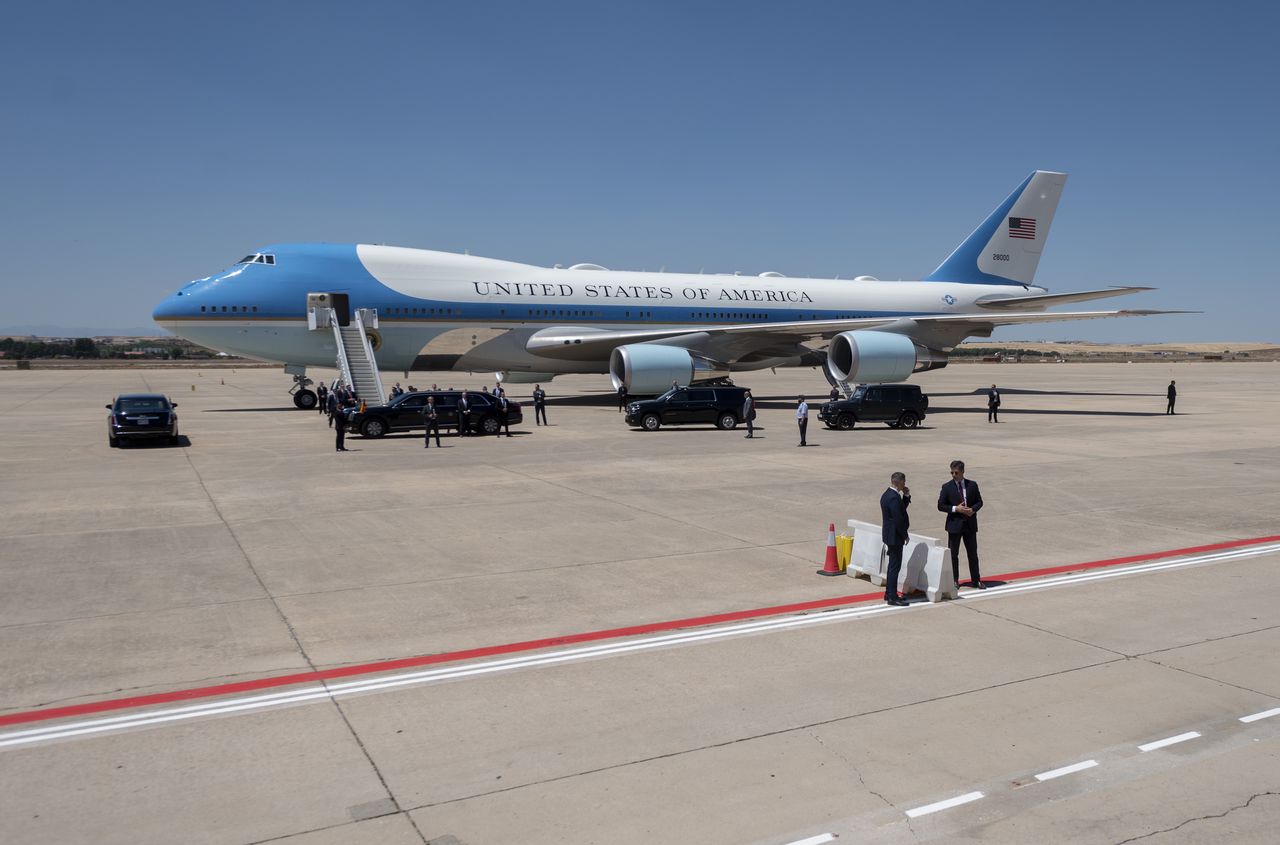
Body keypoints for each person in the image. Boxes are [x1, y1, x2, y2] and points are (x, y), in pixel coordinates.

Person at [937, 460, 984, 588]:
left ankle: (976, 579)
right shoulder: (947, 487)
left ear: (962, 472)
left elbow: (980, 502)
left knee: (973, 554)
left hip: (969, 525)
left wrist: (972, 510)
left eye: (956, 472)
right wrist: (955, 509)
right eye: (951, 472)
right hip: (954, 525)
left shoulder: (972, 485)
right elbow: (940, 505)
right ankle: (954, 580)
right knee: (953, 555)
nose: (953, 475)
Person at [880, 472, 911, 606]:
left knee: (893, 566)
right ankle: (892, 596)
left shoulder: (887, 495)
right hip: (894, 536)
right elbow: (899, 519)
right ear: (898, 482)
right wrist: (905, 535)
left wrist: (906, 496)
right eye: (903, 482)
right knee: (894, 567)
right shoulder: (893, 497)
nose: (904, 484)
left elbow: (900, 510)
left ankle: (889, 593)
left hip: (889, 535)